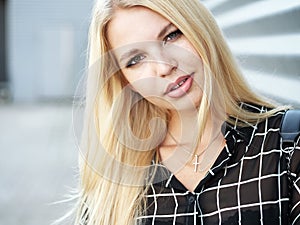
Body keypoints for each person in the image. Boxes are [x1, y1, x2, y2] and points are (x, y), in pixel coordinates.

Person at [73, 0, 300, 224]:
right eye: (136, 59)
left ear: (199, 28)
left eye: (171, 36)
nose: (164, 67)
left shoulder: (287, 146)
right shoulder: (111, 185)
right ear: (124, 80)